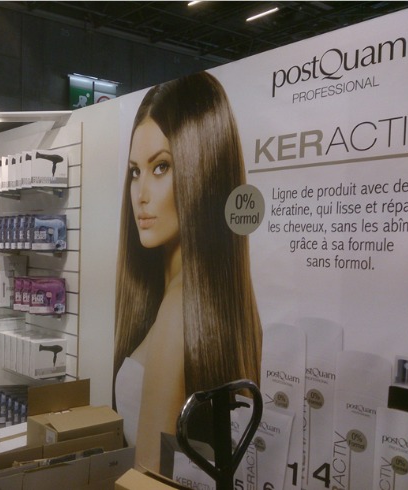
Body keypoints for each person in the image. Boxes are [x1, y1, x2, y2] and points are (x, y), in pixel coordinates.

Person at [113, 71, 263, 472]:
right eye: (135, 171)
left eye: (161, 167)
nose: (141, 195)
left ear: (205, 170)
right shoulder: (221, 305)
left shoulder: (177, 315)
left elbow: (148, 479)